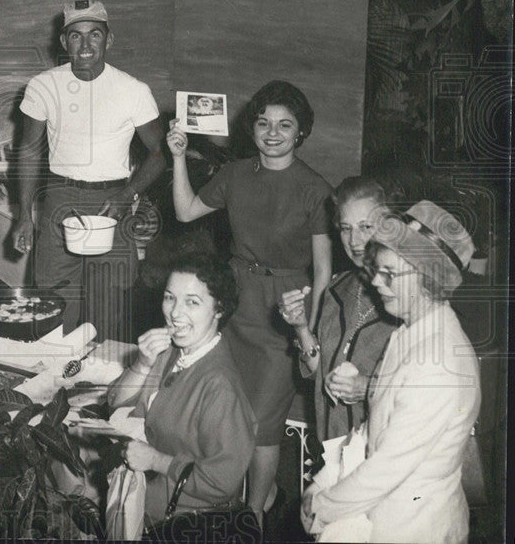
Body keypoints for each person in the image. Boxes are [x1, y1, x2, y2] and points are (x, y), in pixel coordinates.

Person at [167, 80, 333, 525]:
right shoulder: (236, 174)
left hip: (284, 315)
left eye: (285, 124)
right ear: (252, 128)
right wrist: (179, 155)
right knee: (225, 407)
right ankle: (241, 496)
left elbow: (322, 273)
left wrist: (308, 333)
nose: (272, 132)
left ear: (301, 132)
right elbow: (184, 211)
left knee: (262, 423)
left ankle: (253, 516)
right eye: (263, 122)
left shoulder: (314, 188)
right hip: (235, 304)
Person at [301, 201, 481, 543]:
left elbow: (387, 468)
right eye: (376, 270)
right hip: (384, 514)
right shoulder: (408, 332)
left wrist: (321, 507)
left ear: (429, 278)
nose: (376, 283)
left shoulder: (437, 363)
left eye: (390, 274)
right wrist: (323, 482)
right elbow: (372, 431)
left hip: (413, 527)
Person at [13, 0, 165, 341]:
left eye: (94, 35)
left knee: (107, 310)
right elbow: (28, 150)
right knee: (53, 306)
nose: (85, 45)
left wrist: (128, 194)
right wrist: (24, 214)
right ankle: (52, 390)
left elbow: (160, 152)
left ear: (108, 40)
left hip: (113, 201)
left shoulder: (133, 90)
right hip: (59, 200)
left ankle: (96, 390)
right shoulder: (42, 85)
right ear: (64, 41)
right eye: (76, 35)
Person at [106, 254, 256, 518]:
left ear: (219, 309)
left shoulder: (220, 387)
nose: (175, 313)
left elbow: (221, 483)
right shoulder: (171, 351)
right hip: (145, 500)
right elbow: (114, 401)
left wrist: (155, 460)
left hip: (185, 520)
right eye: (169, 297)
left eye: (192, 302)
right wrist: (142, 364)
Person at [279, 177, 399, 441]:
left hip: (384, 447)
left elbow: (425, 389)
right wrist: (300, 326)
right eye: (345, 228)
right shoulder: (337, 288)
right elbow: (318, 371)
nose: (354, 240)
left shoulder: (404, 298)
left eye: (365, 226)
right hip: (333, 443)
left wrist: (368, 387)